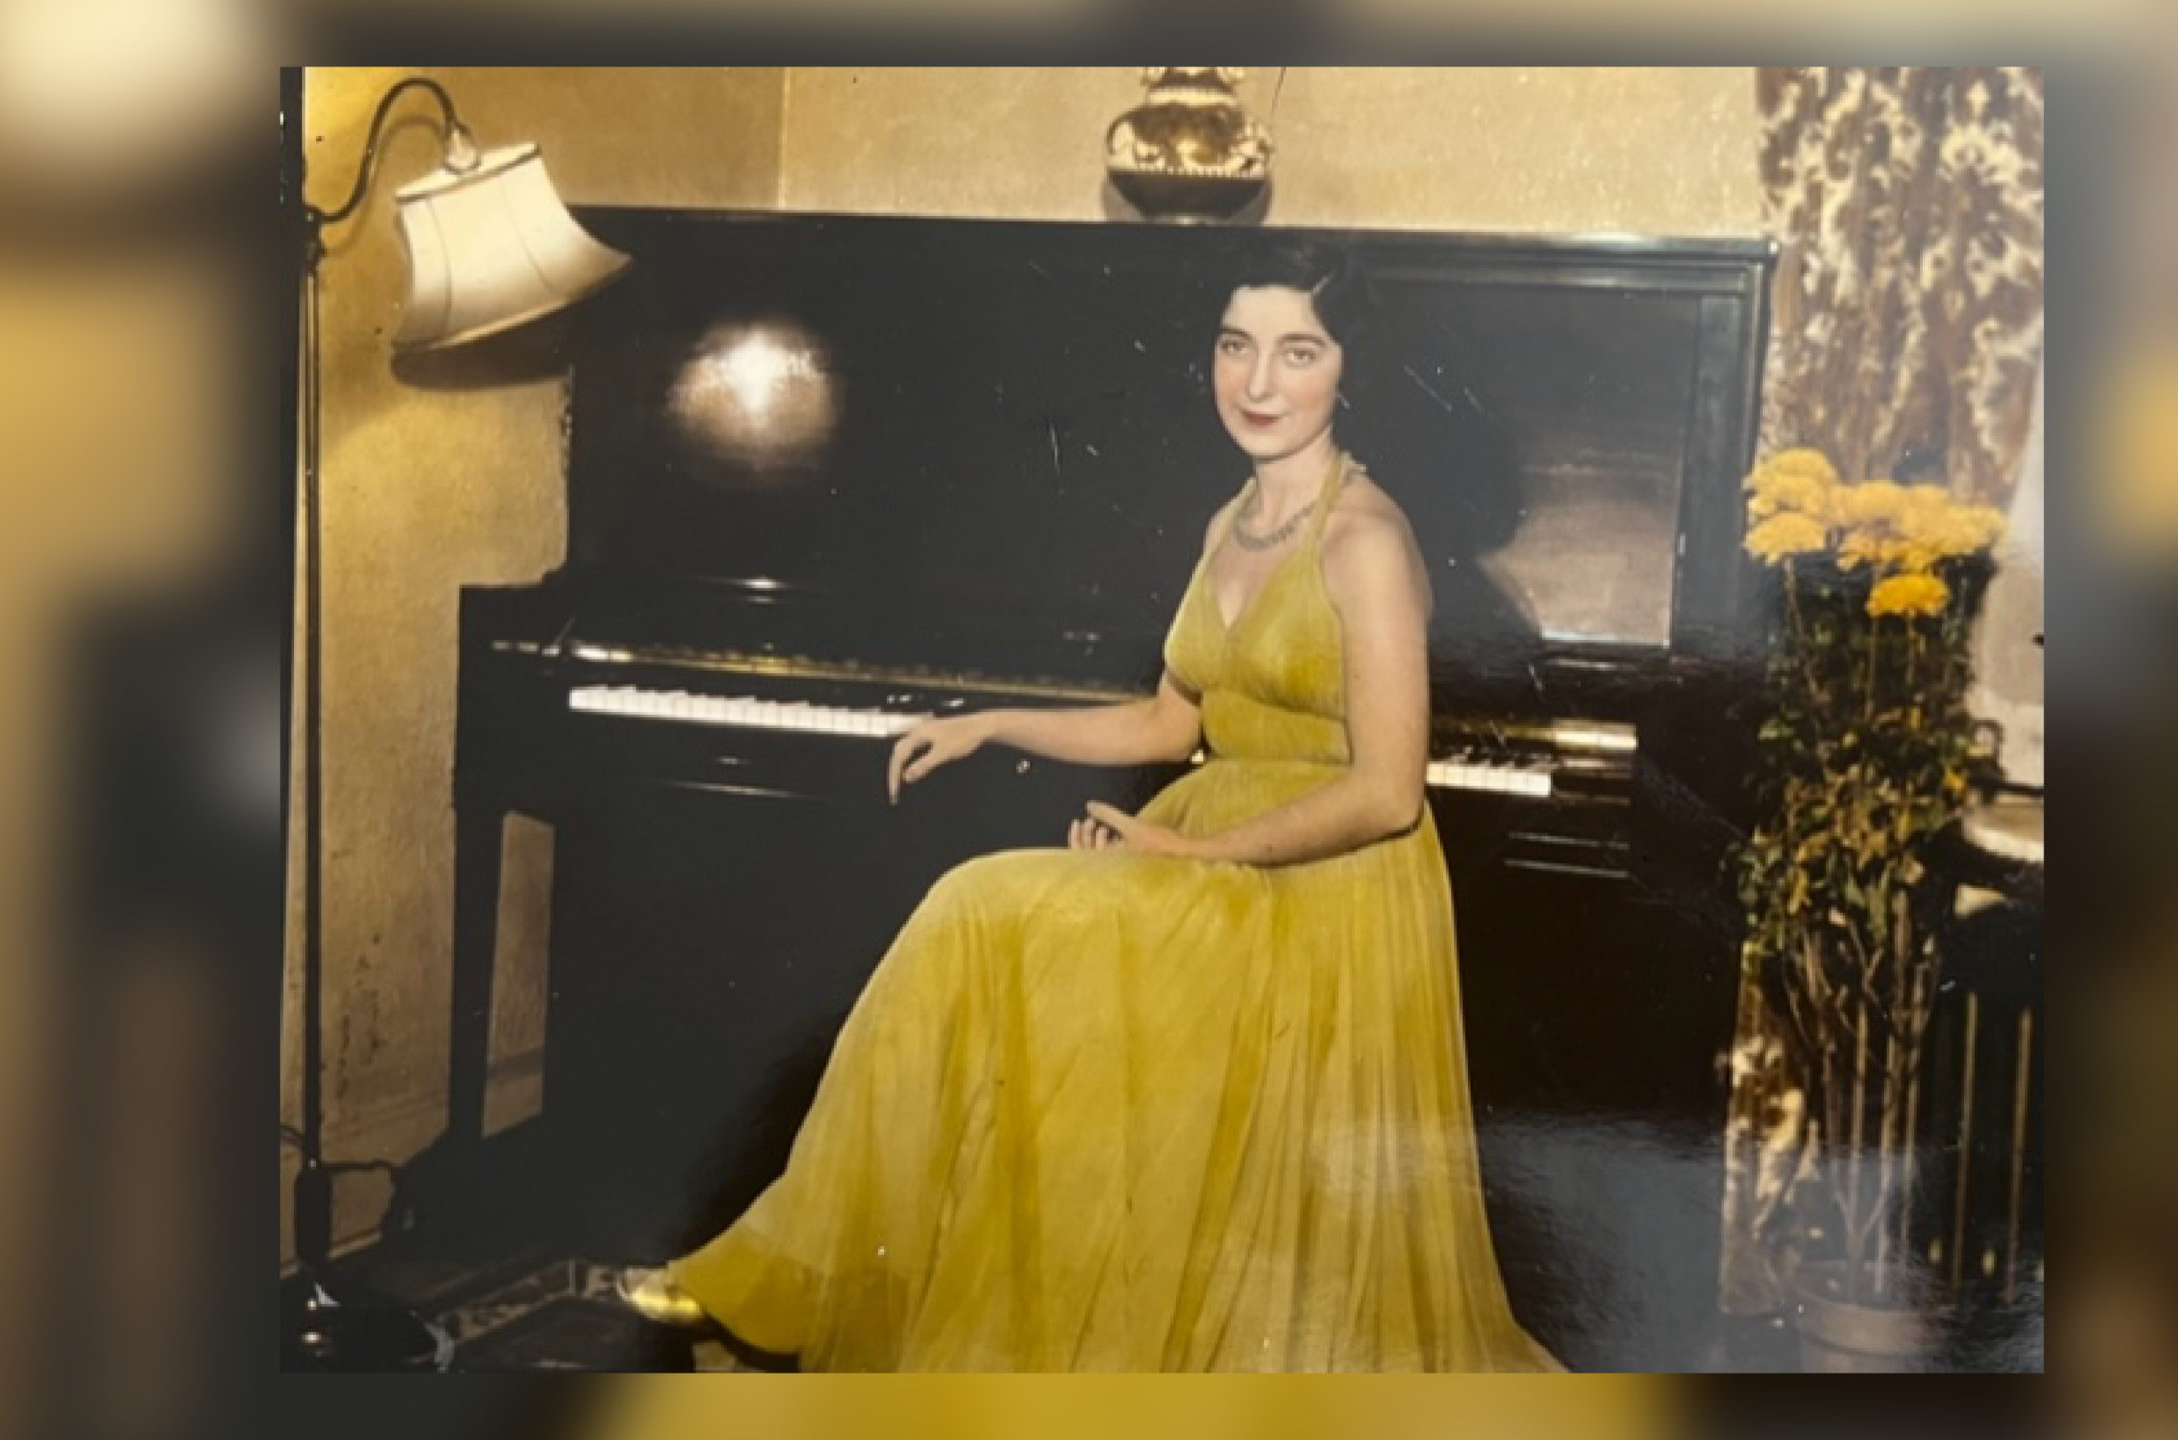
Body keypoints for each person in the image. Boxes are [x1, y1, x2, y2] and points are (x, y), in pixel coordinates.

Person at [619, 240, 1559, 1372]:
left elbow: (1387, 792)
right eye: (1234, 347)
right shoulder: (1232, 523)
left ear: (1346, 373)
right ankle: (830, 1281)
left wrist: (1183, 848)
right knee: (993, 934)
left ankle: (796, 1284)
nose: (1257, 384)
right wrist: (988, 722)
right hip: (1218, 863)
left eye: (1295, 352)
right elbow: (1168, 722)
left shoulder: (1366, 540)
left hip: (1325, 899)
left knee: (988, 915)